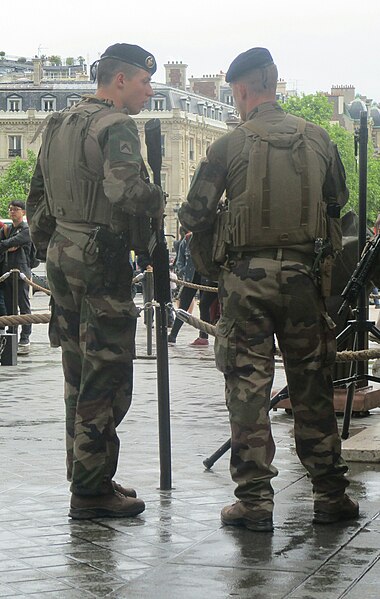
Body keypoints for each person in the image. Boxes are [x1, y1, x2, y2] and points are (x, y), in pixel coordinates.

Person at [179, 47, 359, 532]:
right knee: (312, 387)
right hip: (304, 281)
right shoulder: (319, 138)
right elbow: (339, 204)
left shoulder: (229, 146)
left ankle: (255, 502)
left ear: (240, 90)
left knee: (248, 392)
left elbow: (194, 215)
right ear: (274, 82)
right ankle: (330, 494)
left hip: (245, 283)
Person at [26, 43, 165, 520]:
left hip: (62, 253)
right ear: (120, 80)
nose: (149, 91)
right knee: (106, 376)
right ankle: (90, 490)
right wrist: (157, 201)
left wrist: (57, 242)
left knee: (76, 372)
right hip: (99, 257)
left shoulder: (61, 123)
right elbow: (125, 189)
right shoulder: (116, 125)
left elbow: (37, 197)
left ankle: (90, 475)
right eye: (145, 82)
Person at [168, 232, 216, 346]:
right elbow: (180, 260)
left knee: (204, 305)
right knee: (183, 306)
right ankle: (173, 335)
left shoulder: (211, 236)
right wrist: (183, 272)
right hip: (191, 277)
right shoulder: (188, 238)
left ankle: (203, 336)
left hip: (207, 277)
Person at [0, 200, 32, 354]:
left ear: (23, 212)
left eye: (16, 209)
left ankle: (25, 337)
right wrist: (7, 245)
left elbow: (14, 242)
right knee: (10, 307)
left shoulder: (26, 230)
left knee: (23, 306)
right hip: (6, 273)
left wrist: (7, 244)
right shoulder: (7, 229)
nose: (12, 212)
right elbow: (6, 244)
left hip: (21, 272)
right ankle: (11, 336)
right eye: (11, 209)